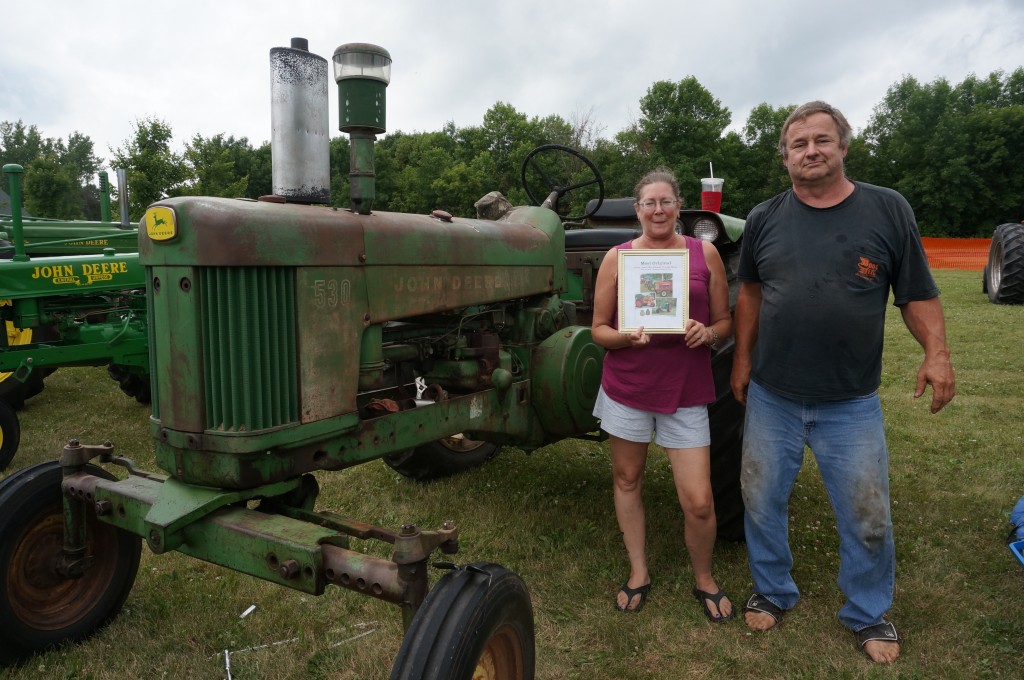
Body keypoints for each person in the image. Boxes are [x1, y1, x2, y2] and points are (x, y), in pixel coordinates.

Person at [729, 101, 956, 663]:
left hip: (850, 402)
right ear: (784, 156)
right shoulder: (764, 218)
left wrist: (938, 353)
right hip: (773, 395)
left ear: (843, 146)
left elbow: (917, 293)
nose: (811, 151)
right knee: (760, 499)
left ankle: (868, 612)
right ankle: (773, 589)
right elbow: (751, 294)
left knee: (867, 511)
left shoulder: (887, 210)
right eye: (799, 144)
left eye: (822, 140)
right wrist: (741, 361)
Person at [591, 168, 734, 621]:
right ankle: (638, 571)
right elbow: (597, 331)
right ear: (637, 210)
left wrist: (706, 332)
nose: (658, 209)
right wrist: (624, 337)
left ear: (678, 206)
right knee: (627, 480)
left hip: (685, 390)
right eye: (649, 203)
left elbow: (725, 322)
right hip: (628, 388)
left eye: (666, 201)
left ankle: (704, 577)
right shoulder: (617, 258)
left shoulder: (704, 253)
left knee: (698, 499)